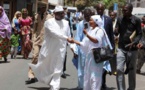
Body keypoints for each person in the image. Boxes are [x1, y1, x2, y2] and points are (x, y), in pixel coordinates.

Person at [29, 5, 73, 90]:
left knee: (58, 68)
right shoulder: (49, 22)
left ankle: (55, 86)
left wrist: (73, 48)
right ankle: (50, 82)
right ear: (54, 13)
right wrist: (67, 38)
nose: (61, 15)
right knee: (48, 67)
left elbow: (69, 35)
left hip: (61, 49)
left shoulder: (66, 23)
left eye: (62, 13)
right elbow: (54, 33)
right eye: (59, 13)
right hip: (50, 50)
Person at [71, 15, 113, 90]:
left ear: (96, 22)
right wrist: (73, 41)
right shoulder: (90, 30)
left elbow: (96, 40)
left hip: (96, 57)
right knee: (88, 77)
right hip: (89, 57)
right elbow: (84, 44)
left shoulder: (100, 30)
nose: (89, 22)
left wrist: (87, 34)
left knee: (95, 78)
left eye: (91, 20)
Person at [115, 3, 142, 90]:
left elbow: (139, 34)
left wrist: (134, 42)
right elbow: (116, 32)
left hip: (132, 49)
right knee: (119, 69)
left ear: (131, 10)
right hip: (121, 48)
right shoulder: (119, 19)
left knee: (131, 70)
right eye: (122, 10)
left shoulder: (136, 20)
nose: (123, 11)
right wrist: (115, 32)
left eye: (125, 10)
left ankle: (131, 88)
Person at [25, 6, 53, 84]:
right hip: (37, 39)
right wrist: (33, 38)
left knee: (45, 59)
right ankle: (31, 76)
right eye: (41, 7)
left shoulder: (50, 17)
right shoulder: (36, 16)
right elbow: (34, 27)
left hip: (46, 40)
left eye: (43, 7)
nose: (42, 9)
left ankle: (48, 77)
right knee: (35, 56)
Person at [71, 8, 92, 89]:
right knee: (81, 70)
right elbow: (77, 37)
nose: (87, 17)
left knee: (90, 70)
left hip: (91, 51)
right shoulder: (80, 24)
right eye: (85, 15)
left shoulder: (93, 23)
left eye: (88, 15)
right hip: (82, 51)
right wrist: (75, 51)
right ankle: (81, 86)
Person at [95, 3, 114, 89]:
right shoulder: (93, 19)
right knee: (96, 66)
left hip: (105, 46)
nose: (100, 11)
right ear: (96, 9)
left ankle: (103, 83)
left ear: (103, 10)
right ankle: (96, 83)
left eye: (101, 9)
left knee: (105, 66)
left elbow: (111, 34)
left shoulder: (108, 19)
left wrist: (112, 46)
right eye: (98, 9)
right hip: (95, 46)